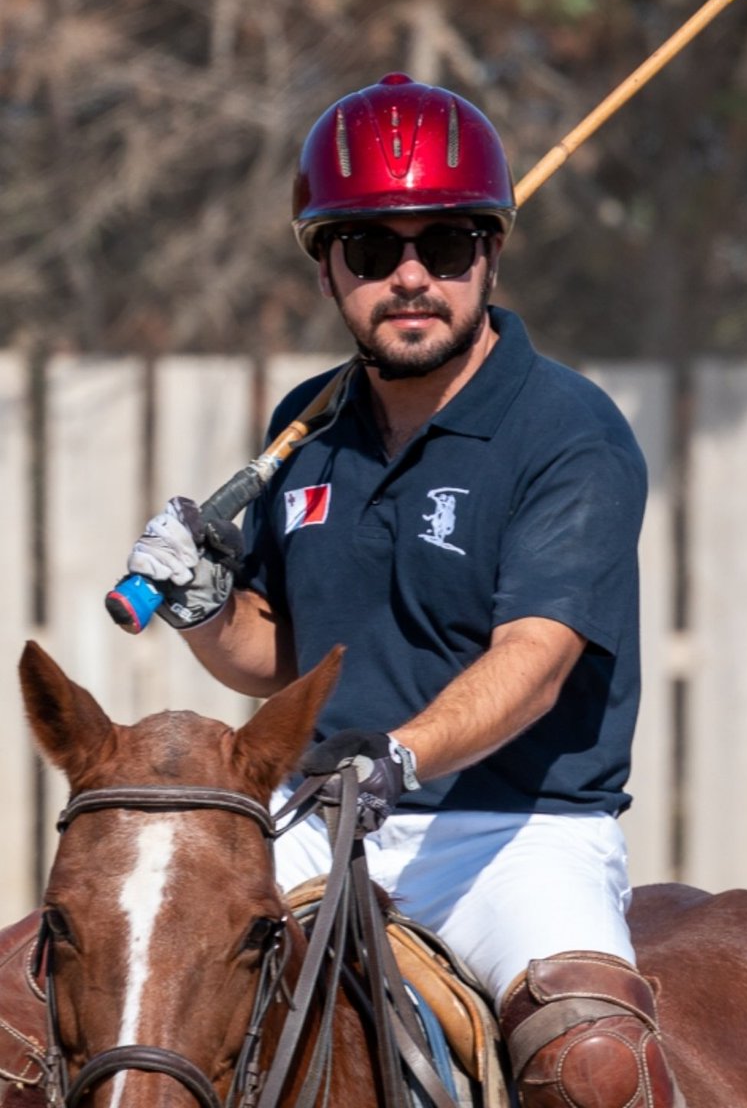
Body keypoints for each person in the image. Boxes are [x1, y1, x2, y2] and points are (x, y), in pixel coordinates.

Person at [124, 72, 681, 1107]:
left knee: (595, 1063)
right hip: (321, 813)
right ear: (326, 267)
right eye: (373, 249)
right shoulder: (309, 424)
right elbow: (285, 655)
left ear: (493, 252)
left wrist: (401, 754)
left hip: (517, 835)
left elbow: (534, 660)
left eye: (448, 244)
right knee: (128, 991)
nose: (412, 277)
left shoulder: (569, 432)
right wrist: (205, 609)